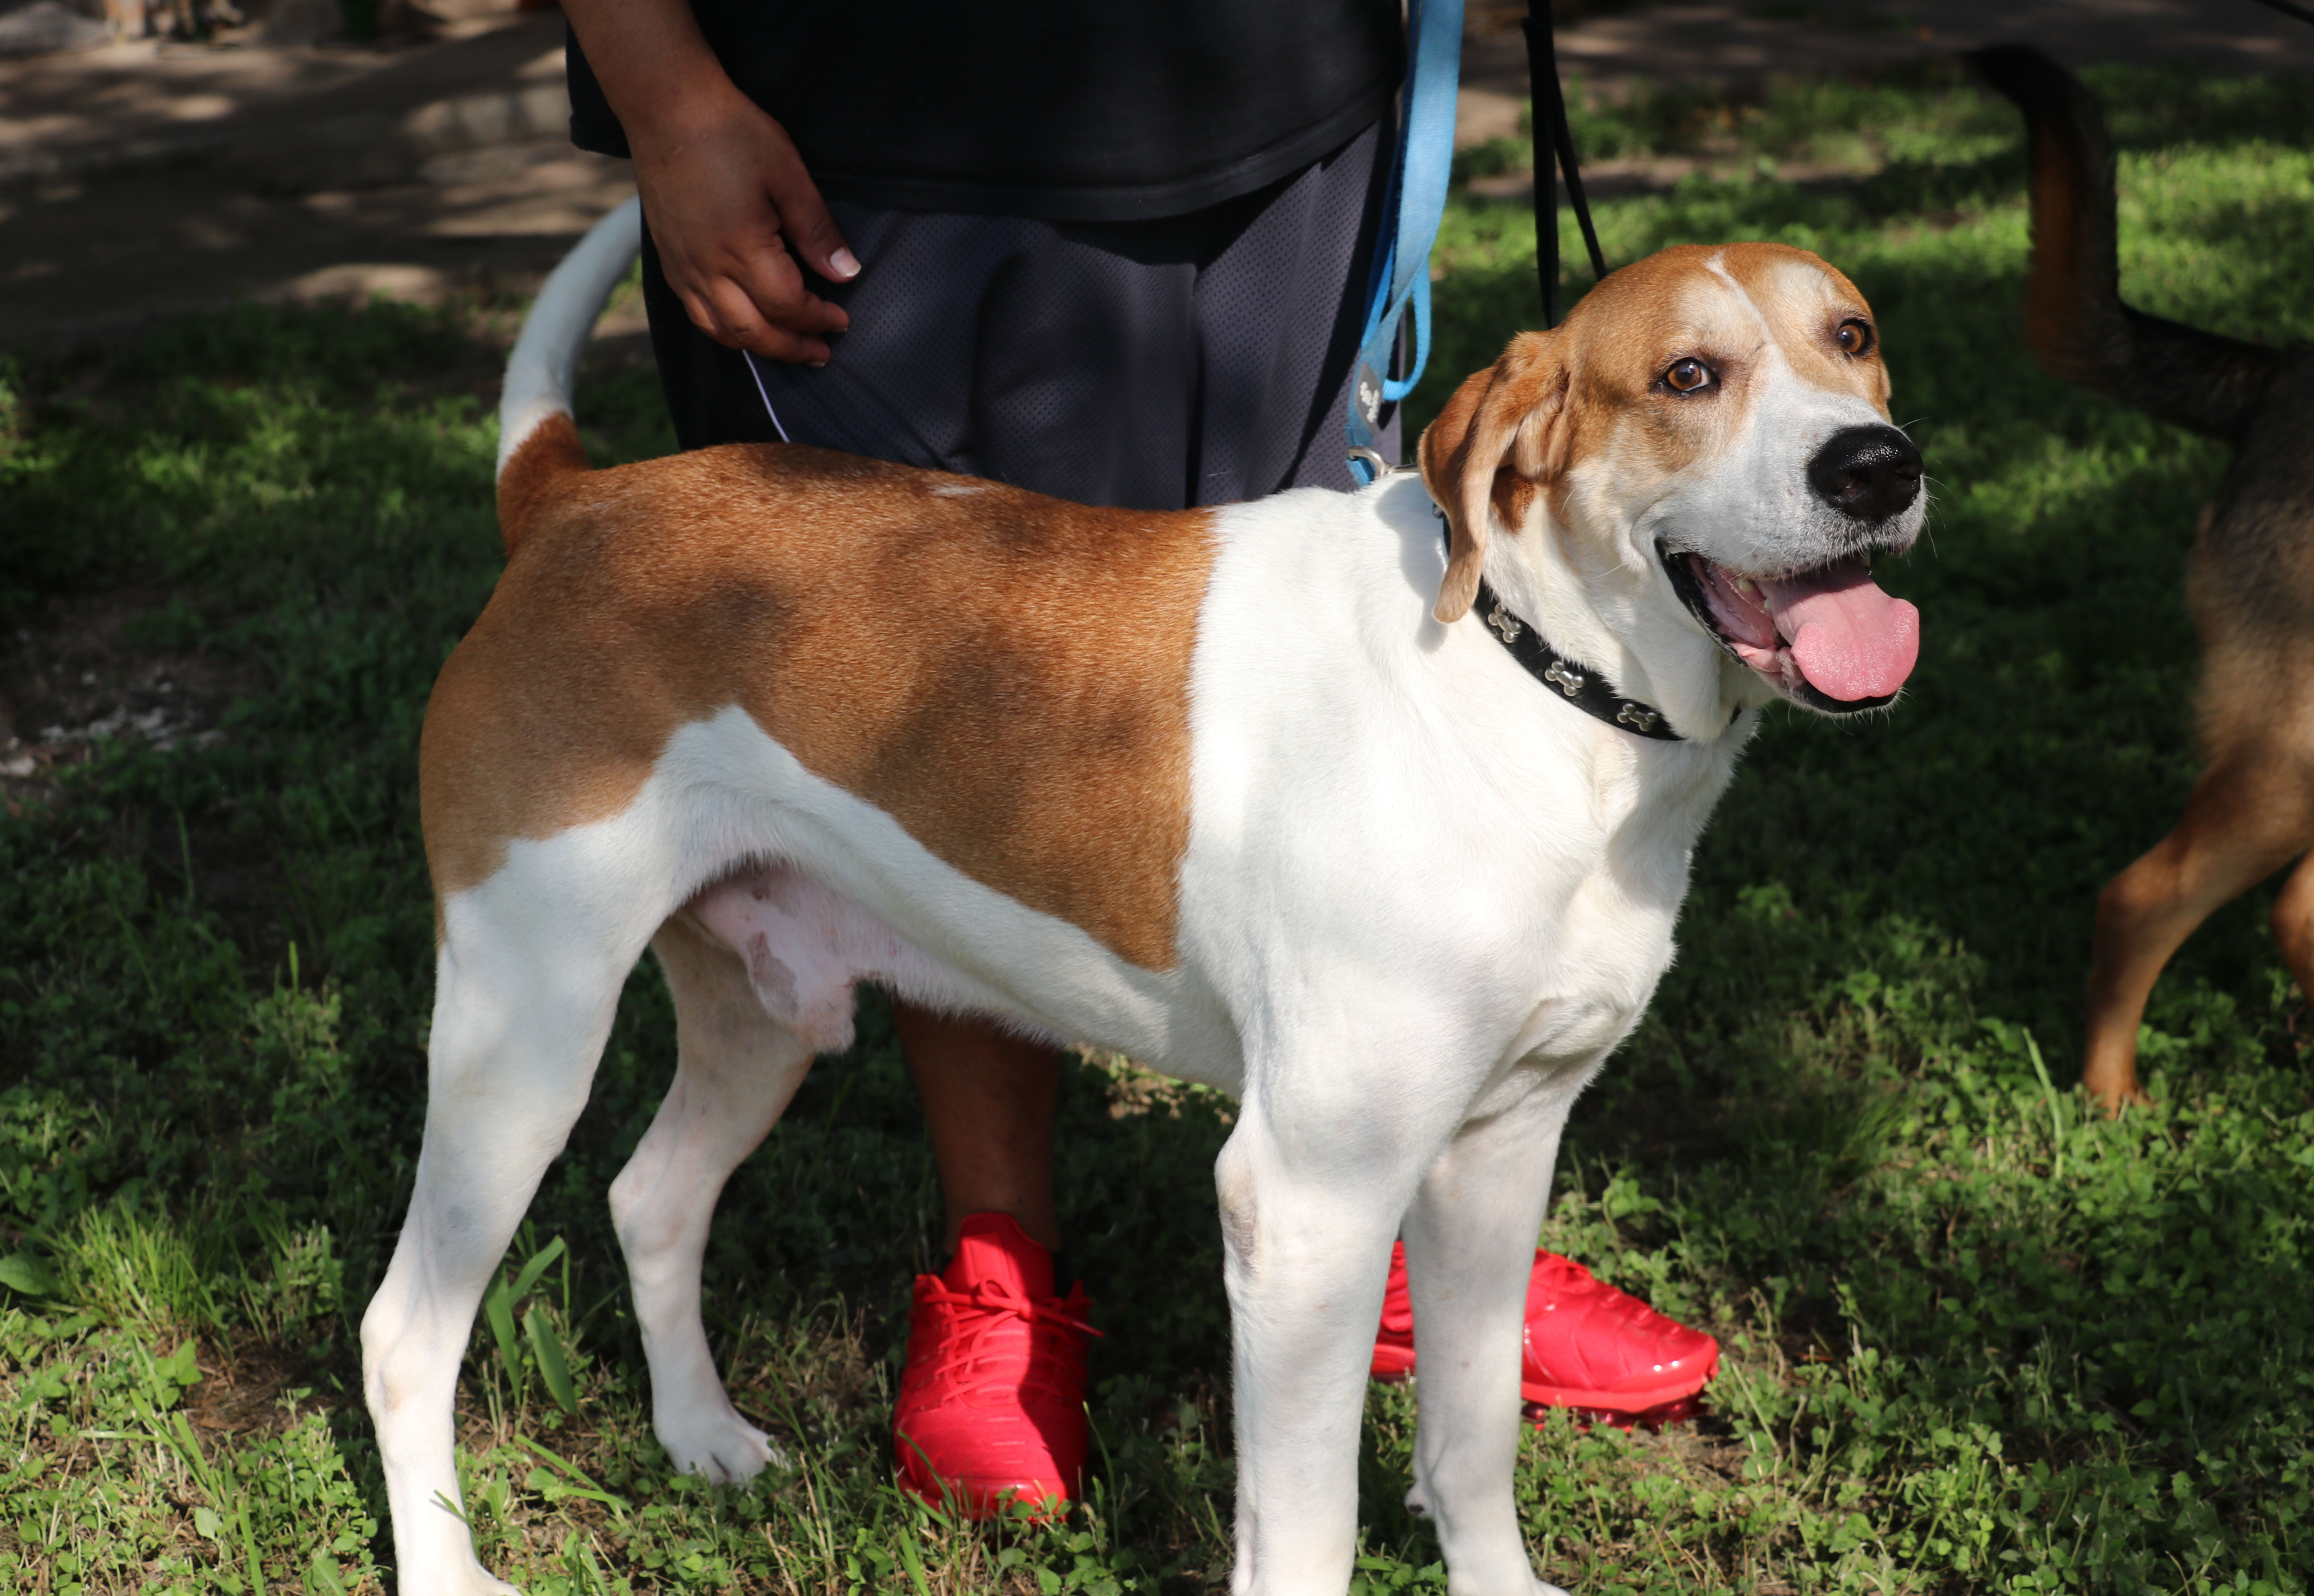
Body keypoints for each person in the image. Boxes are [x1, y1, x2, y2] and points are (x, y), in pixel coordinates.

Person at [557, 0, 1719, 1519]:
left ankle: (1383, 1196)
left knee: (1301, 684)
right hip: (879, 125)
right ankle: (1002, 1264)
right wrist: (664, 87)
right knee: (943, 721)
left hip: (1283, 105)